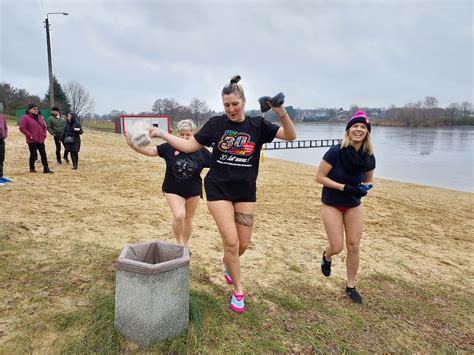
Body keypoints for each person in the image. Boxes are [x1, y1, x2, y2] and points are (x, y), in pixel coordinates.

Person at [148, 75, 297, 314]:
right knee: (231, 242)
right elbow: (188, 146)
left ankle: (228, 262)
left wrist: (280, 112)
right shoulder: (216, 124)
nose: (231, 109)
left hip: (246, 192)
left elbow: (291, 136)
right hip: (219, 191)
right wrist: (163, 134)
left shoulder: (258, 126)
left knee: (243, 243)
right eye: (226, 105)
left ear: (244, 102)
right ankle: (238, 291)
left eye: (235, 104)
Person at [315, 111, 376, 304]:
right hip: (332, 202)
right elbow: (319, 177)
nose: (358, 130)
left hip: (352, 205)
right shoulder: (335, 151)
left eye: (363, 127)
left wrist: (363, 189)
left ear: (367, 132)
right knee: (337, 246)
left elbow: (368, 181)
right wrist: (344, 187)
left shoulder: (369, 156)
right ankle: (326, 256)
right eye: (355, 126)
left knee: (354, 246)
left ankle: (351, 286)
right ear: (348, 130)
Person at [126, 119, 211, 246]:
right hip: (173, 189)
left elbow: (217, 164)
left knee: (188, 219)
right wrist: (131, 144)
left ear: (193, 134)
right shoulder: (169, 147)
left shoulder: (201, 150)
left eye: (188, 134)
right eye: (182, 134)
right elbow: (150, 151)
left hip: (194, 190)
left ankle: (185, 246)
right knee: (179, 216)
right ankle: (179, 243)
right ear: (177, 134)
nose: (185, 137)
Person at [19, 104, 54, 173]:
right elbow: (22, 128)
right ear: (29, 110)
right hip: (32, 140)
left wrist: (44, 134)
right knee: (33, 154)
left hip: (41, 139)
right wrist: (30, 135)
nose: (36, 110)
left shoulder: (40, 117)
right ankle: (32, 168)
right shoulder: (25, 118)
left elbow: (44, 126)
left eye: (37, 109)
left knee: (43, 154)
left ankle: (46, 168)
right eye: (34, 109)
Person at [0, 106, 12, 184]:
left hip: (1, 140)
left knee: (1, 158)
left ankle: (0, 176)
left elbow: (5, 127)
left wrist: (5, 135)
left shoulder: (2, 117)